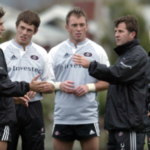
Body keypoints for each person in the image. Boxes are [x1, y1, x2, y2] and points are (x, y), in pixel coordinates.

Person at [73, 15, 148, 150]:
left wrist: (91, 65)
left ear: (132, 34)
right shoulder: (124, 55)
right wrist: (111, 124)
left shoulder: (138, 55)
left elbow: (117, 74)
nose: (116, 35)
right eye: (115, 31)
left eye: (121, 31)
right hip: (117, 127)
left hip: (129, 127)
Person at [48, 7, 109, 150]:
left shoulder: (97, 50)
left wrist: (89, 87)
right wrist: (59, 86)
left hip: (88, 117)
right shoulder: (55, 51)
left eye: (82, 25)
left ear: (87, 26)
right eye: (74, 25)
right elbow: (45, 81)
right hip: (62, 118)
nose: (78, 28)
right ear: (67, 27)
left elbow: (108, 80)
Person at [0, 9, 55, 150]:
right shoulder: (3, 49)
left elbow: (51, 83)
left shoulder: (41, 52)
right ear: (16, 26)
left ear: (35, 32)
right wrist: (26, 88)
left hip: (33, 108)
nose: (24, 33)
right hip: (8, 107)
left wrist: (38, 88)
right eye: (22, 28)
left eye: (29, 30)